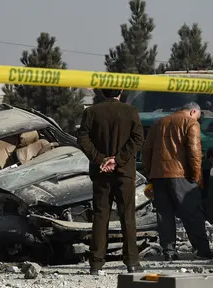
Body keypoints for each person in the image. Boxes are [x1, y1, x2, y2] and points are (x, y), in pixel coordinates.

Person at [77, 88, 144, 275]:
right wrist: (119, 160)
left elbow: (82, 138)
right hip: (124, 173)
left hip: (101, 173)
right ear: (121, 91)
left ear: (103, 92)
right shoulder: (130, 111)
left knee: (100, 216)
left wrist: (101, 159)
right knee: (127, 216)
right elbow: (138, 138)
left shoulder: (91, 112)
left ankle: (96, 263)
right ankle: (132, 262)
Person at [142, 102, 213, 261]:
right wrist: (196, 176)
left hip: (158, 175)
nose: (198, 120)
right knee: (192, 213)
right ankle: (202, 250)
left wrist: (150, 173)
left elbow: (146, 150)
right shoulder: (190, 122)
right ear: (193, 111)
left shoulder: (158, 123)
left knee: (164, 215)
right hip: (181, 175)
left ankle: (169, 252)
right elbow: (194, 152)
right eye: (198, 117)